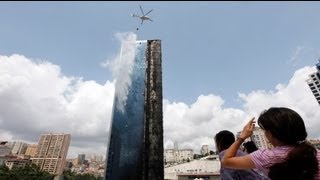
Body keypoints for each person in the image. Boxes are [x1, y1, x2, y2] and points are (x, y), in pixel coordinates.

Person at [221, 107, 320, 180]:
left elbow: (226, 161)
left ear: (271, 133)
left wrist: (242, 137)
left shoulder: (267, 156)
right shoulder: (316, 153)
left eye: (265, 130)